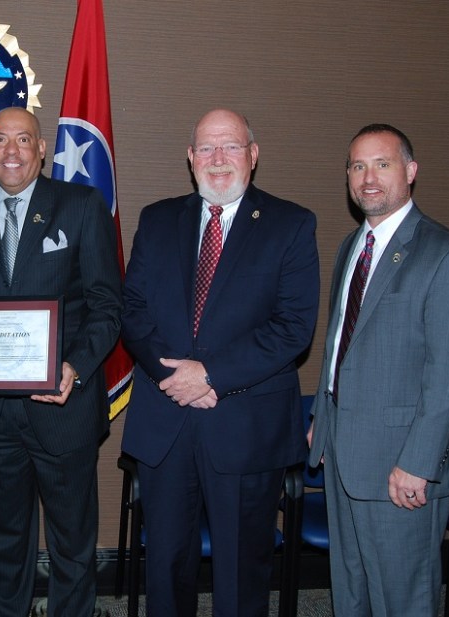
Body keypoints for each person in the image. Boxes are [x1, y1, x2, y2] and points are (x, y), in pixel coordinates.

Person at [120, 108, 320, 617]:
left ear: (253, 155)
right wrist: (176, 378)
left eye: (230, 145)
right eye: (206, 148)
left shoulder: (291, 224)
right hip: (166, 422)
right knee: (164, 567)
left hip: (246, 426)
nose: (218, 158)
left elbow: (292, 327)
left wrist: (209, 375)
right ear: (190, 159)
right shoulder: (158, 218)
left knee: (240, 574)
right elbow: (133, 309)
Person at [0, 106, 122, 617]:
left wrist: (75, 367)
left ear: (42, 149)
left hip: (63, 408)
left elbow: (108, 308)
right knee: (2, 542)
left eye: (24, 140)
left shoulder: (82, 205)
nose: (12, 151)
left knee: (71, 545)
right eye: (1, 140)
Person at [307, 124, 449, 617]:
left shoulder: (447, 255)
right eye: (357, 166)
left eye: (382, 164)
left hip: (400, 468)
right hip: (344, 453)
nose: (368, 178)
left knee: (402, 601)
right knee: (352, 594)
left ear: (410, 171)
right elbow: (339, 343)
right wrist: (323, 417)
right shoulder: (351, 247)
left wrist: (420, 463)